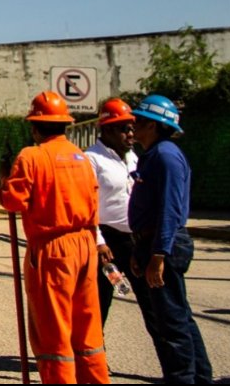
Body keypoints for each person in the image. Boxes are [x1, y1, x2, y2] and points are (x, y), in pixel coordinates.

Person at [0, 91, 108, 384]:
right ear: (64, 125)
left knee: (53, 335)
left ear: (35, 126)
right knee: (88, 331)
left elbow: (13, 201)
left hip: (52, 251)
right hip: (86, 245)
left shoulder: (32, 157)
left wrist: (4, 181)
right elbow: (94, 204)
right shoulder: (82, 157)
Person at [128, 95, 213, 384]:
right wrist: (140, 249)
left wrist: (158, 254)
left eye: (138, 121)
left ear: (152, 125)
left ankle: (183, 379)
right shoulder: (154, 155)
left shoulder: (165, 156)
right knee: (178, 318)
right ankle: (200, 378)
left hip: (163, 245)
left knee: (172, 325)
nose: (132, 126)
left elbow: (169, 209)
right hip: (151, 243)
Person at [86, 97, 139, 325]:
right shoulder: (92, 159)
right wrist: (98, 241)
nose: (129, 134)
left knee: (149, 299)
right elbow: (86, 204)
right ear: (106, 130)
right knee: (100, 301)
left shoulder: (133, 157)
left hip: (135, 239)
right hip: (107, 242)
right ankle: (95, 356)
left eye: (131, 128)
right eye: (123, 129)